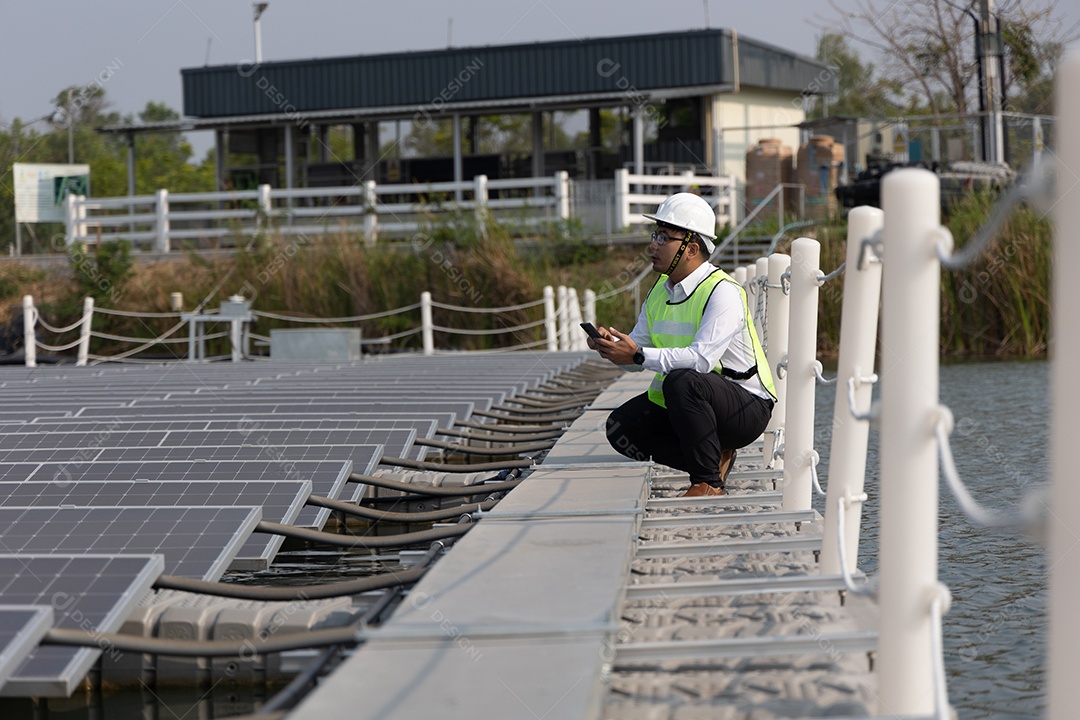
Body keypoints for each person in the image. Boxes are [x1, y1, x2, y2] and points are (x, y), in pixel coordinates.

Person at [588, 193, 776, 496]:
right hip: (695, 399)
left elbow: (701, 361)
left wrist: (636, 356)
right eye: (655, 235)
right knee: (621, 428)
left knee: (682, 379)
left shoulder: (723, 292)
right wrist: (614, 348)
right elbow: (639, 351)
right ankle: (714, 458)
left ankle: (708, 482)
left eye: (663, 237)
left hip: (745, 408)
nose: (653, 245)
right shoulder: (658, 293)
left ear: (691, 249)